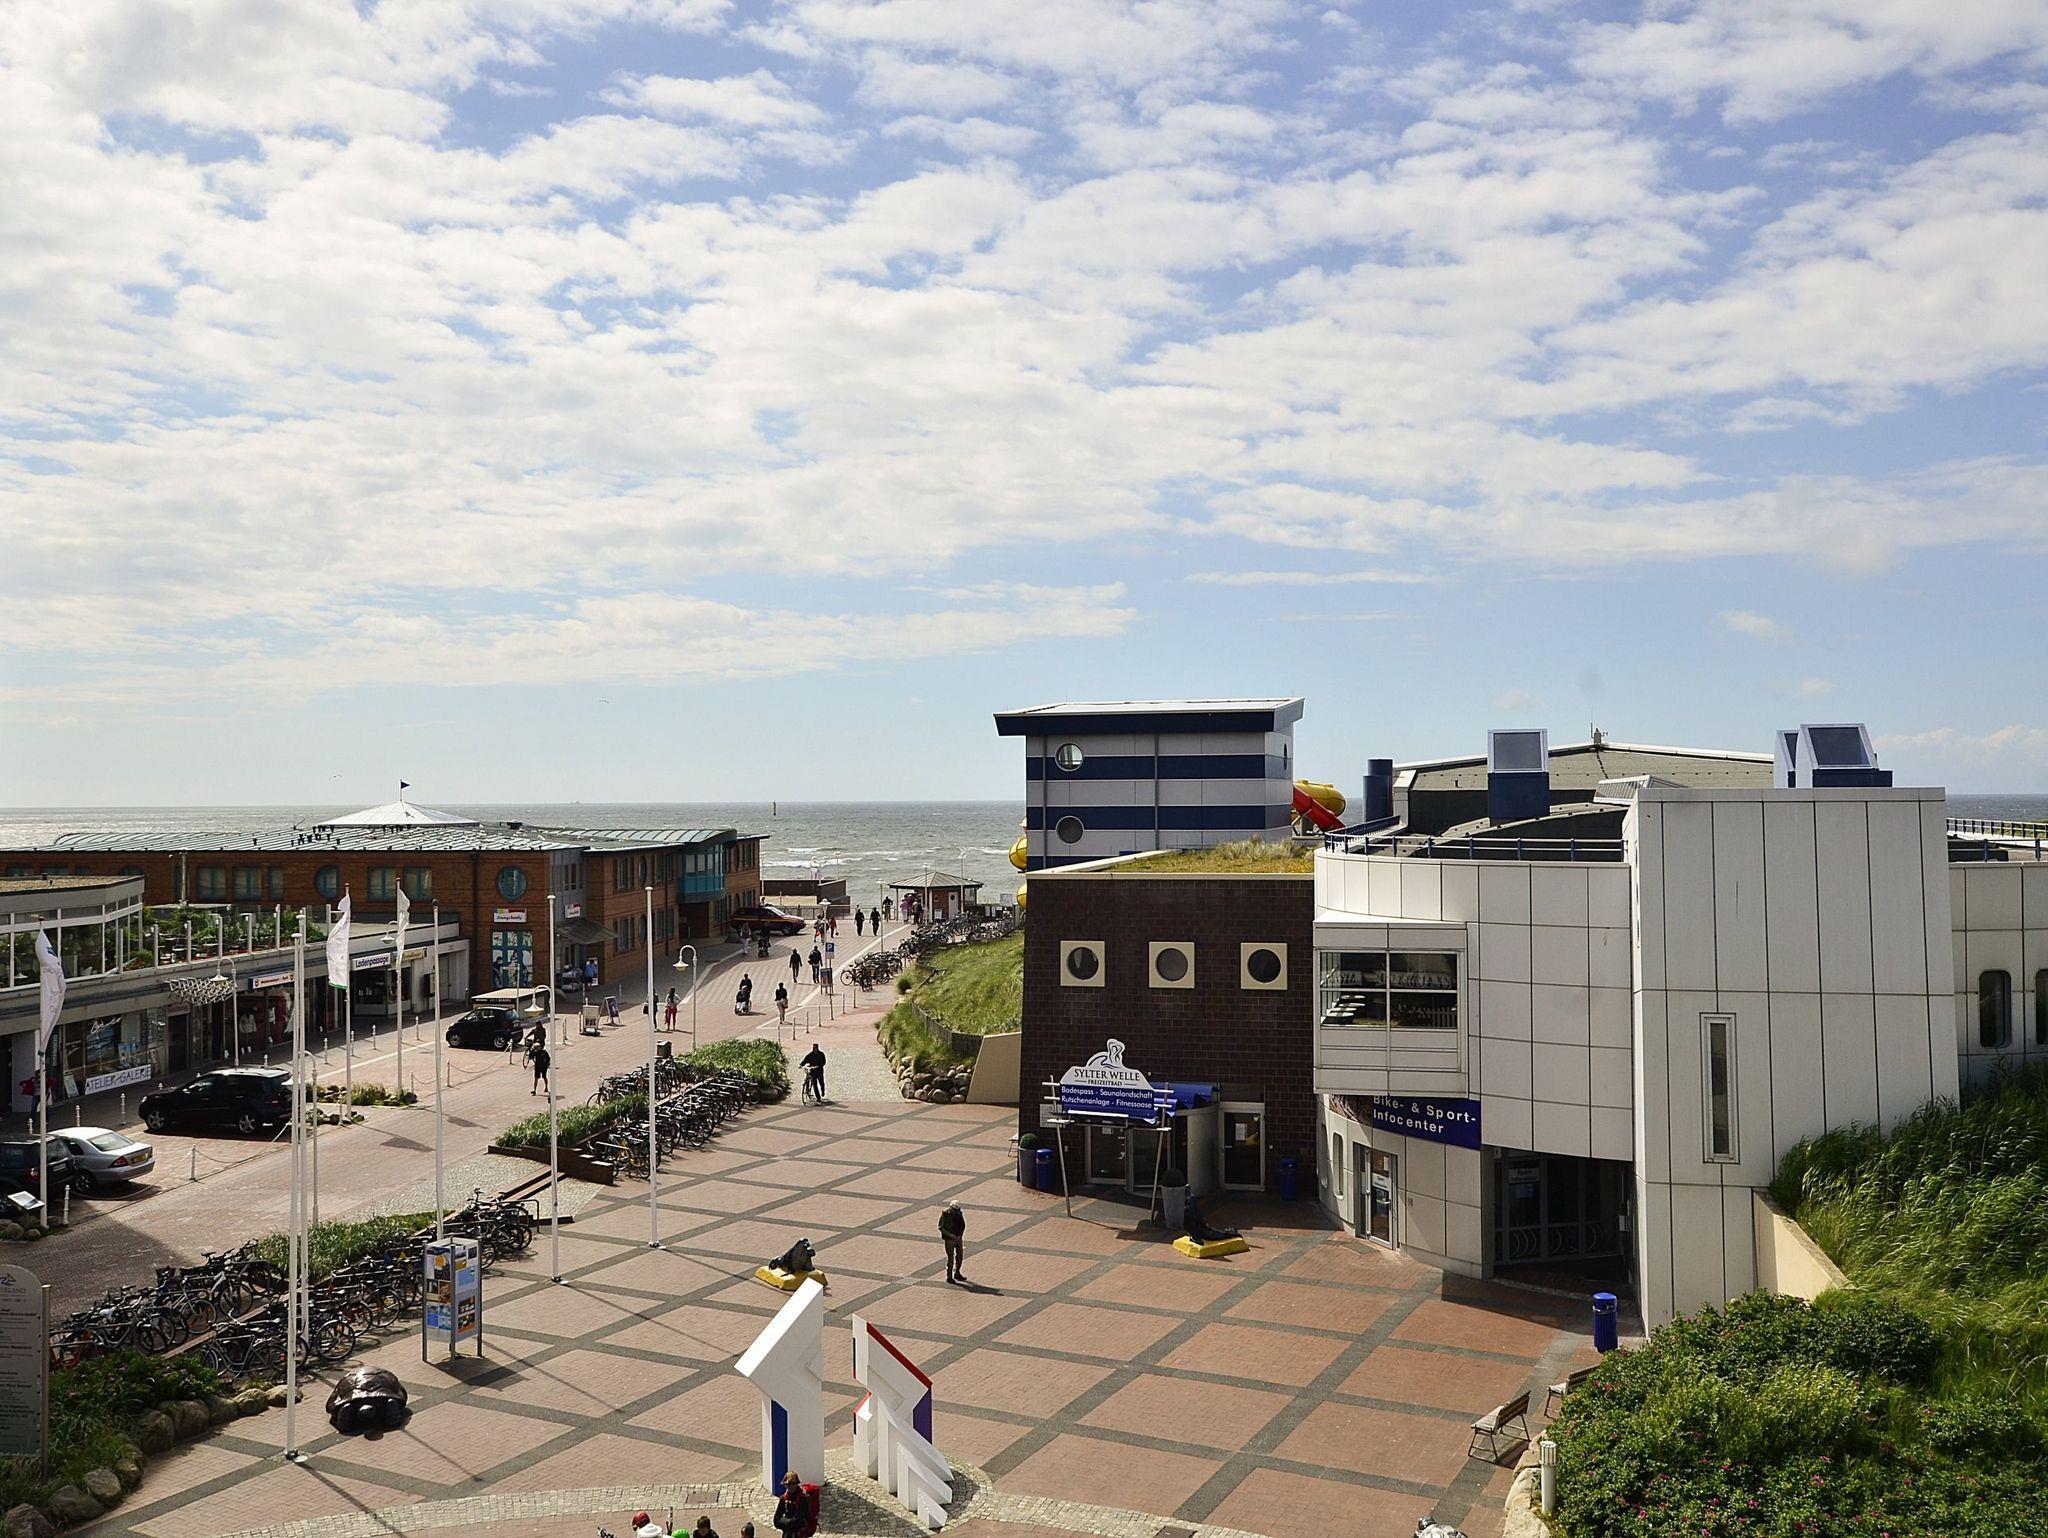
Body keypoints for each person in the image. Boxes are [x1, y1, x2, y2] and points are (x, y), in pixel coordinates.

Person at [773, 1471, 808, 1538]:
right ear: (785, 1484)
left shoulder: (802, 1498)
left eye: (793, 1483)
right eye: (789, 1484)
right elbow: (776, 1520)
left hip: (798, 1534)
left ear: (797, 1483)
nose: (791, 1486)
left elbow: (799, 1520)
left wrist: (784, 1522)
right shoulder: (784, 1498)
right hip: (787, 1533)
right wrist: (788, 1523)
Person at [939, 1200, 966, 1283]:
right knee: (950, 1258)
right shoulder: (945, 1214)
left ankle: (957, 1272)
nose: (956, 1211)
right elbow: (940, 1227)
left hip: (958, 1238)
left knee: (960, 1255)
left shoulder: (959, 1213)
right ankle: (949, 1276)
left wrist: (960, 1235)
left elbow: (962, 1225)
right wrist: (950, 1235)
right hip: (949, 1239)